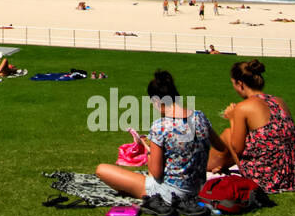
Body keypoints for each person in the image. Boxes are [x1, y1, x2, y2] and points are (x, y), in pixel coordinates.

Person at [96, 69, 225, 204]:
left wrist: (148, 149)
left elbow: (156, 172)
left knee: (102, 170)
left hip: (171, 193)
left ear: (157, 101)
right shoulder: (200, 116)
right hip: (199, 189)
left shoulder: (160, 126)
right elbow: (220, 147)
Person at [207, 59, 295, 191]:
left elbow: (237, 149)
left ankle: (201, 165)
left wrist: (232, 118)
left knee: (228, 134)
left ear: (240, 84)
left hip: (267, 178)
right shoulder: (279, 101)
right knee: (241, 138)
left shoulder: (243, 108)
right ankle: (218, 164)